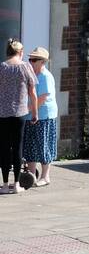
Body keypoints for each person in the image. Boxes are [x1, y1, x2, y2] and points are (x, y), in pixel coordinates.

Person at [0, 39, 38, 194]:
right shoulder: (25, 67)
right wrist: (35, 113)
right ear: (20, 52)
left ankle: (3, 185)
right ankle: (16, 185)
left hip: (2, 113)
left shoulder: (2, 67)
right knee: (17, 148)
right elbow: (33, 94)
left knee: (3, 148)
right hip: (20, 114)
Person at [23, 48, 58, 186]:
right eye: (30, 59)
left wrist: (28, 109)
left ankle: (45, 176)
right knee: (30, 145)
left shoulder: (45, 76)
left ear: (42, 62)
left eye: (34, 60)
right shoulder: (32, 75)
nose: (31, 62)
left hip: (44, 116)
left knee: (43, 145)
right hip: (31, 115)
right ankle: (31, 175)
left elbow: (42, 98)